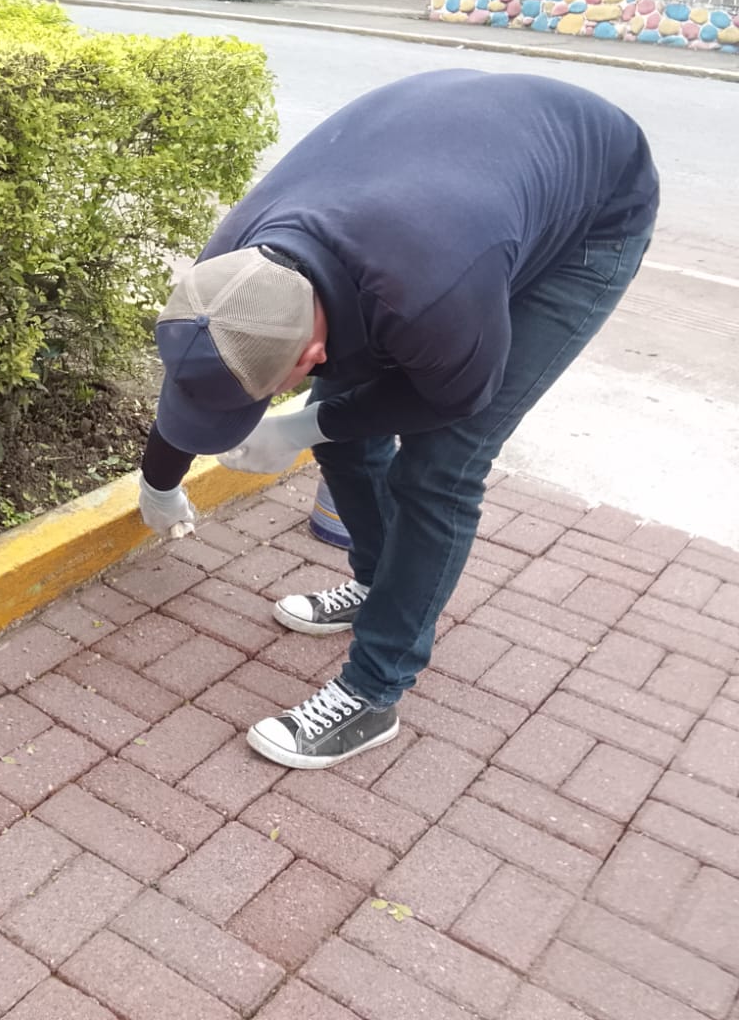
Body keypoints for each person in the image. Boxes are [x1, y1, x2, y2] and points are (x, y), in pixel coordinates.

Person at [137, 70, 658, 771]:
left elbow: (457, 398)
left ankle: (373, 693)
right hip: (456, 174)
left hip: (594, 210)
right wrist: (159, 482)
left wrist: (300, 428)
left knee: (441, 466)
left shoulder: (427, 297)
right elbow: (197, 368)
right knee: (343, 432)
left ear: (312, 352)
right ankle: (379, 583)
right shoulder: (229, 272)